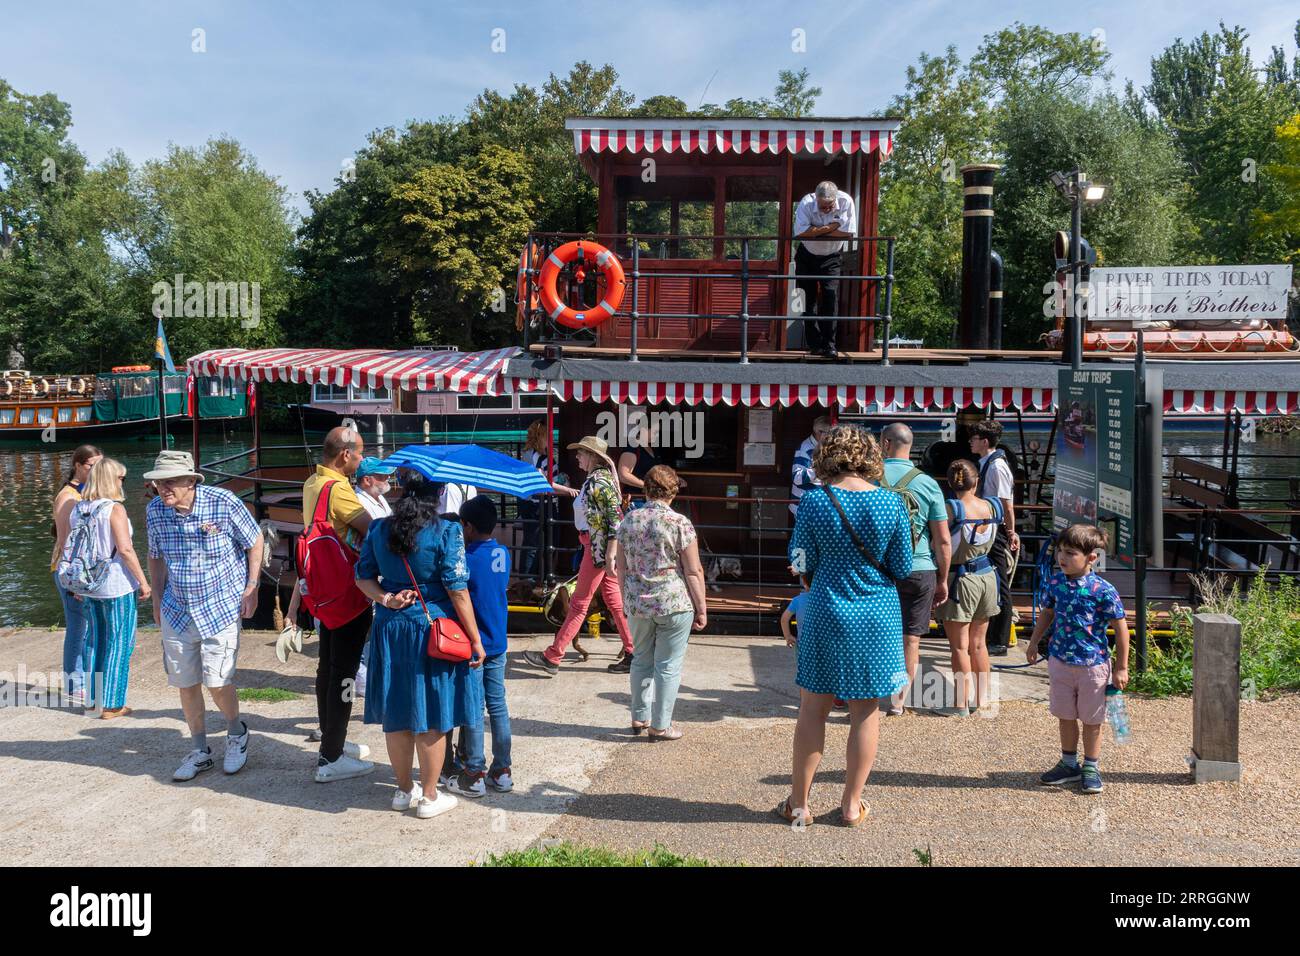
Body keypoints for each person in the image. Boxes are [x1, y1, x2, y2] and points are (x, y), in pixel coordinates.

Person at [779, 426, 912, 827]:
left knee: (812, 711)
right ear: (872, 456)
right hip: (877, 616)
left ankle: (799, 806)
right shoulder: (892, 504)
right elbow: (903, 567)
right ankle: (852, 805)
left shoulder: (816, 501)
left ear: (827, 457)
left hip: (824, 611)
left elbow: (800, 560)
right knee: (865, 712)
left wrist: (816, 569)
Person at [355, 471, 485, 820]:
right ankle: (429, 796)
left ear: (402, 489)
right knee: (432, 714)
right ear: (440, 492)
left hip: (390, 626)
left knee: (397, 714)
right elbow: (457, 590)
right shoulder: (448, 531)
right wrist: (475, 639)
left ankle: (402, 790)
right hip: (432, 629)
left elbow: (362, 576)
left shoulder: (379, 528)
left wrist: (385, 598)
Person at [144, 451, 262, 781]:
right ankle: (200, 750)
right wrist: (156, 598)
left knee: (218, 679)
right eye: (158, 482)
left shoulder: (223, 502)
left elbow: (255, 541)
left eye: (169, 482)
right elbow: (155, 556)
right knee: (185, 682)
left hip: (220, 606)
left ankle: (237, 732)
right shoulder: (155, 511)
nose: (161, 488)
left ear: (190, 481)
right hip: (177, 609)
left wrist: (251, 586)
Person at [1025, 524, 1129, 794]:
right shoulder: (1055, 582)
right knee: (1065, 715)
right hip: (1060, 661)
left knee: (1093, 719)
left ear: (1091, 557)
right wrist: (1034, 641)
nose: (1062, 558)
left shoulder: (1103, 590)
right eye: (1060, 551)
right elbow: (1047, 613)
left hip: (1093, 665)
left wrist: (1121, 667)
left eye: (1070, 553)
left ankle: (1091, 766)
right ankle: (1069, 762)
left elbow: (1121, 628)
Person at [523, 436, 635, 676]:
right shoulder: (600, 480)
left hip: (596, 550)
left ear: (592, 456)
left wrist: (609, 554)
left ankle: (553, 656)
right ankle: (633, 651)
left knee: (579, 604)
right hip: (599, 548)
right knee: (614, 603)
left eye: (581, 453)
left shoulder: (597, 482)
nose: (577, 457)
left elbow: (615, 520)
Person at [301, 426, 376, 781]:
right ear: (345, 454)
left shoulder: (313, 483)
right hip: (347, 594)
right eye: (360, 454)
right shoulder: (338, 490)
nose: (362, 460)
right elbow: (372, 528)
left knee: (328, 669)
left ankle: (331, 741)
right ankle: (331, 758)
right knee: (345, 673)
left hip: (322, 591)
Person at [613, 465, 707, 740]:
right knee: (668, 665)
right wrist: (701, 608)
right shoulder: (680, 523)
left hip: (637, 602)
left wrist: (623, 599)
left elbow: (621, 566)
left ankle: (638, 717)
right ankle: (661, 724)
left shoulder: (628, 521)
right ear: (673, 491)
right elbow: (693, 570)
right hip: (673, 601)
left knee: (640, 659)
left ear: (646, 488)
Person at [442, 495, 513, 796]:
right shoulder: (503, 553)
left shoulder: (467, 559)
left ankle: (473, 769)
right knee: (497, 705)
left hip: (474, 643)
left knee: (473, 706)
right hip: (498, 639)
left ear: (467, 526)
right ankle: (502, 769)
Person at [879, 423, 952, 716]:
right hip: (920, 567)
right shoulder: (928, 484)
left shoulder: (870, 478)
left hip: (879, 569)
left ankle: (864, 694)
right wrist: (943, 579)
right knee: (911, 638)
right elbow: (943, 539)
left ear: (884, 444)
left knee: (875, 634)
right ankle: (899, 702)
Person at [70, 459, 151, 718]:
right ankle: (112, 704)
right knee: (120, 642)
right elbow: (125, 550)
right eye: (120, 478)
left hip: (89, 583)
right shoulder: (113, 509)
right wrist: (143, 581)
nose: (122, 482)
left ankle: (93, 701)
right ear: (110, 480)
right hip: (116, 584)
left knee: (94, 640)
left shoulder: (79, 508)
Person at [932, 460, 1002, 715]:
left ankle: (960, 703)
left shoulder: (952, 509)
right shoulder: (992, 505)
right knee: (979, 644)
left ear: (950, 484)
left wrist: (939, 579)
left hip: (961, 579)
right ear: (977, 482)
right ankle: (981, 700)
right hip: (987, 575)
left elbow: (941, 545)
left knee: (959, 647)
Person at [51, 444, 102, 704]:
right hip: (70, 570)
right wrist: (74, 581)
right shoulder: (68, 496)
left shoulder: (88, 492)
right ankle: (75, 683)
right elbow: (64, 540)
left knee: (84, 626)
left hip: (83, 570)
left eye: (99, 465)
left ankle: (80, 681)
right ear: (78, 465)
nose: (96, 470)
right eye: (92, 466)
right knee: (78, 628)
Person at [969, 419, 1019, 656]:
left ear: (984, 441)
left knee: (1000, 580)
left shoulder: (997, 466)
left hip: (995, 529)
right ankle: (992, 633)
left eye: (974, 438)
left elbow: (1006, 505)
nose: (970, 442)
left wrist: (1010, 531)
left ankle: (999, 638)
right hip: (988, 526)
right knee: (992, 578)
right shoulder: (987, 463)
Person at [349, 456, 396, 697]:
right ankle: (363, 680)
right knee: (367, 627)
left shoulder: (379, 499)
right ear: (367, 480)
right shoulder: (360, 503)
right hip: (370, 572)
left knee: (374, 626)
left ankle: (370, 674)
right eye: (382, 476)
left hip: (380, 570)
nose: (388, 479)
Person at [793, 180, 857, 357]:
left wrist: (815, 230)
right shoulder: (806, 203)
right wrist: (832, 228)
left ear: (835, 199)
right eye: (822, 207)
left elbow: (848, 233)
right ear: (816, 200)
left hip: (832, 256)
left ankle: (829, 345)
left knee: (830, 296)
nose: (826, 210)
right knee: (805, 299)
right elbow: (800, 233)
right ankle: (814, 345)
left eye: (829, 206)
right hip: (806, 256)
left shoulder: (846, 201)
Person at [519, 421, 577, 579]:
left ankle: (532, 577)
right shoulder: (538, 457)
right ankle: (529, 579)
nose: (551, 439)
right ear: (541, 436)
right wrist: (567, 489)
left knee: (539, 543)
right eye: (548, 436)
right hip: (539, 505)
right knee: (536, 543)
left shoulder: (529, 454)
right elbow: (544, 482)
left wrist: (561, 480)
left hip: (535, 503)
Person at [789, 415, 832, 519]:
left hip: (814, 505)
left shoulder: (821, 446)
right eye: (828, 433)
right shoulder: (805, 449)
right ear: (818, 432)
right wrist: (820, 469)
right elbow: (796, 477)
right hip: (804, 507)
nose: (830, 437)